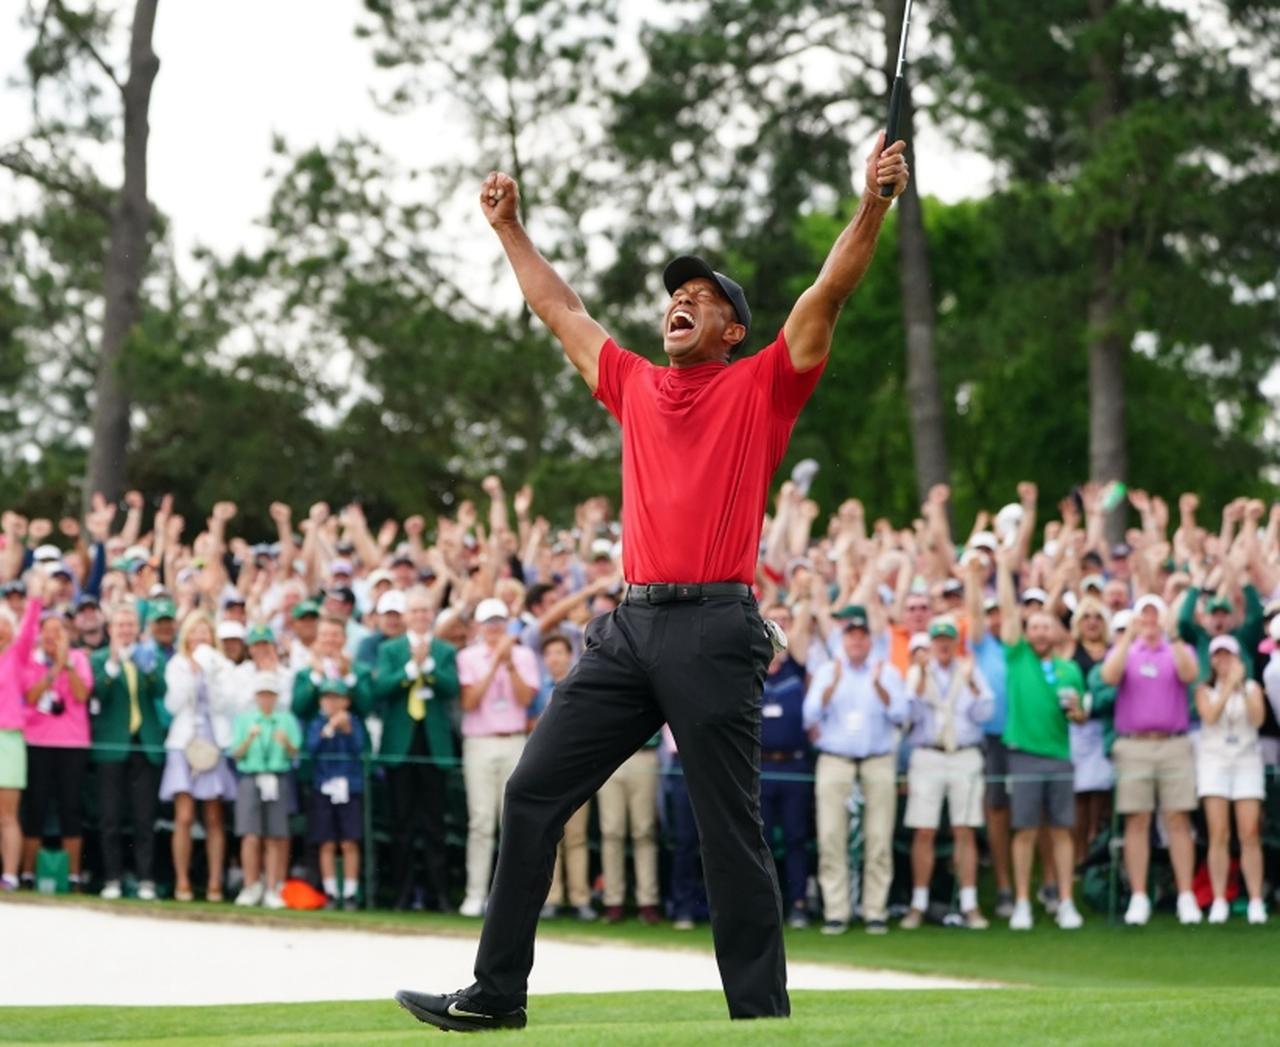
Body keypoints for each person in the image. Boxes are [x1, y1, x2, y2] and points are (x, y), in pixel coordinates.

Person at [395, 136, 910, 1032]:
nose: (682, 300)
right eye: (677, 293)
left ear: (732, 330)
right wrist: (509, 228)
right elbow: (559, 307)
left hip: (715, 626)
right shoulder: (633, 383)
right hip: (628, 628)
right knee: (531, 791)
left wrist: (873, 203)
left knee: (727, 830)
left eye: (702, 297)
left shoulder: (763, 384)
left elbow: (829, 291)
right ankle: (497, 993)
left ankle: (760, 1019)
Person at [995, 548, 1086, 931]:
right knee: (1025, 831)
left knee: (1062, 830)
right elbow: (1008, 612)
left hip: (1060, 755)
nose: (1040, 632)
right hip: (1025, 756)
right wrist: (1004, 569)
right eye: (1034, 627)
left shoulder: (1069, 669)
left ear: (1055, 632)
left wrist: (1077, 711)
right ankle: (1021, 903)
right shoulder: (1018, 657)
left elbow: (1080, 715)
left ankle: (1065, 901)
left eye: (1046, 627)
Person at [802, 606, 906, 936]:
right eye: (851, 637)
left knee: (879, 837)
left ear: (869, 641)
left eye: (862, 637)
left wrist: (880, 688)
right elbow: (809, 716)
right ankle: (837, 911)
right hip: (836, 759)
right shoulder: (828, 671)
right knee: (831, 835)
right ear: (843, 640)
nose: (856, 642)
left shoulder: (886, 672)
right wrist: (830, 687)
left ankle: (875, 911)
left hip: (877, 759)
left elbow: (901, 715)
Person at [1099, 593, 1202, 926]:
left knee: (1178, 818)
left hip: (1173, 743)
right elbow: (1109, 676)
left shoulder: (1178, 649)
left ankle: (1186, 895)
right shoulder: (1126, 650)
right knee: (1137, 820)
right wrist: (1129, 636)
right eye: (1144, 614)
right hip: (1134, 745)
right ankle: (1139, 896)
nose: (1150, 620)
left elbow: (1189, 674)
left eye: (1154, 614)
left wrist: (1172, 635)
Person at [900, 616, 994, 930]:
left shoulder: (969, 670)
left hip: (964, 754)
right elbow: (907, 714)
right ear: (931, 644)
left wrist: (971, 683)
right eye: (938, 640)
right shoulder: (918, 672)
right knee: (923, 830)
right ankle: (918, 903)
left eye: (948, 640)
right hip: (928, 754)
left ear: (955, 644)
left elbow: (985, 712)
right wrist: (919, 679)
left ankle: (969, 903)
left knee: (964, 829)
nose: (943, 645)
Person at [373, 587, 460, 912]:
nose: (421, 616)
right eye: (415, 611)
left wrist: (429, 667)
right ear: (406, 616)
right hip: (401, 745)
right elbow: (381, 687)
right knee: (402, 825)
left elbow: (452, 687)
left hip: (433, 746)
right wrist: (411, 668)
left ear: (432, 615)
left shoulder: (444, 650)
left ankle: (440, 895)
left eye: (425, 610)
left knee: (436, 826)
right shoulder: (391, 649)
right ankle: (402, 894)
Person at [456, 597, 539, 918]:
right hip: (479, 742)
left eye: (499, 622)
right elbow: (469, 702)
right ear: (479, 626)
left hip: (515, 741)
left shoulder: (523, 656)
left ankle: (510, 898)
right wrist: (494, 664)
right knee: (481, 821)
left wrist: (509, 663)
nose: (494, 628)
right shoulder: (468, 657)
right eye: (489, 622)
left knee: (513, 822)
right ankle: (475, 893)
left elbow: (525, 698)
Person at [161, 612, 239, 902]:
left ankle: (214, 883)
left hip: (213, 742)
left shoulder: (222, 665)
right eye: (195, 632)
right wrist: (192, 677)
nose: (200, 637)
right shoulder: (177, 664)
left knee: (214, 817)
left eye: (205, 632)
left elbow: (225, 705)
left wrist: (210, 674)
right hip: (184, 743)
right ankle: (182, 881)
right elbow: (173, 704)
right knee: (183, 816)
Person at [91, 602, 166, 900]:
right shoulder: (99, 659)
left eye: (130, 625)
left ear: (137, 629)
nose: (125, 630)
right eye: (120, 625)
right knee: (109, 817)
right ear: (111, 629)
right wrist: (112, 664)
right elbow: (98, 693)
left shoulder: (149, 656)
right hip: (112, 748)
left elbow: (161, 690)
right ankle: (112, 878)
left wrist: (147, 667)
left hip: (143, 746)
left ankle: (146, 879)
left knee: (144, 818)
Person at [1194, 635, 1266, 924]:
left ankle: (1256, 899)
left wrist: (1240, 686)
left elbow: (1258, 719)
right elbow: (1210, 716)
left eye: (1228, 655)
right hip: (1215, 762)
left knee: (1249, 833)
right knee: (1219, 833)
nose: (1223, 661)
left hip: (1247, 761)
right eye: (1218, 656)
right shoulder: (1204, 690)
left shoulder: (1252, 688)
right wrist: (1227, 687)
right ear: (1212, 661)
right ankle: (1219, 898)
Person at [19, 612, 93, 890]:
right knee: (35, 807)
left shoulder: (80, 659)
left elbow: (81, 694)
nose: (53, 636)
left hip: (72, 744)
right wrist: (54, 669)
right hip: (38, 742)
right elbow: (30, 696)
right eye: (48, 630)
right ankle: (27, 873)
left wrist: (67, 665)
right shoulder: (31, 660)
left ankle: (73, 875)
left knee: (70, 808)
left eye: (58, 631)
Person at [756, 603, 814, 930]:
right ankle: (765, 907)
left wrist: (804, 594)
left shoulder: (796, 669)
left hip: (793, 765)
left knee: (795, 837)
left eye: (784, 621)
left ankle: (798, 903)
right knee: (760, 841)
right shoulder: (752, 670)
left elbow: (800, 631)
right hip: (760, 767)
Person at [963, 555, 1013, 917]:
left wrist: (1005, 568)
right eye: (991, 613)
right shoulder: (981, 645)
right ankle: (1003, 886)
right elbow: (975, 615)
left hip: (1022, 738)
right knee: (995, 811)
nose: (995, 619)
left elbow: (1010, 614)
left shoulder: (1017, 645)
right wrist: (973, 578)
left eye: (1000, 614)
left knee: (1030, 815)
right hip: (991, 739)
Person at [230, 672, 301, 908]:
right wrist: (249, 739)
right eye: (262, 694)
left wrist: (285, 742)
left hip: (277, 778)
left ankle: (272, 887)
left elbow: (295, 753)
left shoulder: (286, 720)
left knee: (274, 836)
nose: (266, 699)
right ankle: (251, 886)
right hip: (251, 777)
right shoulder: (244, 720)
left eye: (270, 694)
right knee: (250, 835)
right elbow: (235, 754)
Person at [538, 634, 596, 922]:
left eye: (559, 652)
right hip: (543, 769)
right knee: (548, 836)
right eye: (549, 653)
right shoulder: (538, 689)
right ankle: (551, 898)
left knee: (576, 837)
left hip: (576, 768)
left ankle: (580, 898)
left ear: (569, 655)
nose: (555, 658)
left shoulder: (582, 685)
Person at [305, 677, 368, 910]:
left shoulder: (355, 723)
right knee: (327, 842)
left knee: (350, 841)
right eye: (327, 698)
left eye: (336, 698)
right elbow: (311, 749)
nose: (331, 702)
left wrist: (348, 730)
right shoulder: (316, 724)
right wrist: (329, 729)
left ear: (346, 701)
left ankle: (350, 893)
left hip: (350, 787)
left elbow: (361, 749)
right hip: (324, 786)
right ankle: (330, 892)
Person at [0, 574, 44, 891]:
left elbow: (29, 628)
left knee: (7, 814)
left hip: (9, 739)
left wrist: (36, 598)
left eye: (5, 624)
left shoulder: (16, 655)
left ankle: (10, 875)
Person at [1063, 597, 1114, 862]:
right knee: (1080, 793)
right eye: (1086, 616)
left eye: (1098, 617)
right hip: (1078, 729)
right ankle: (1079, 854)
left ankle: (1099, 849)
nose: (1092, 622)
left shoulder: (1113, 651)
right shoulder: (1069, 650)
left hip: (1106, 726)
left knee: (1103, 792)